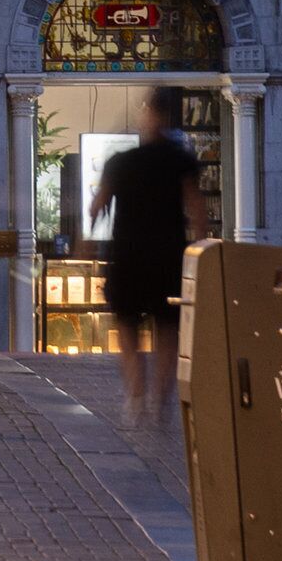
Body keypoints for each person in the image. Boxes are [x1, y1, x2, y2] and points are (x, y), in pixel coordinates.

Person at [88, 90, 206, 425]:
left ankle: (136, 394)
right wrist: (201, 252)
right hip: (168, 255)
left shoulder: (121, 162)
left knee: (129, 327)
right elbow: (197, 211)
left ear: (146, 114)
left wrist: (88, 246)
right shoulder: (181, 161)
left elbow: (97, 206)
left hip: (129, 253)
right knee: (167, 327)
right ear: (169, 117)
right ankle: (160, 397)